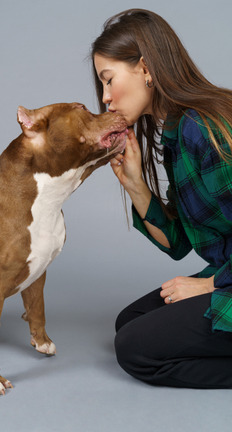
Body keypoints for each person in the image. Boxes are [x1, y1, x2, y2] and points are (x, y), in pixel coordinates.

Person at [91, 8, 232, 389]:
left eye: (109, 80)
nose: (105, 98)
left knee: (135, 349)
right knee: (131, 322)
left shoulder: (204, 127)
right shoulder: (176, 132)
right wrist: (137, 184)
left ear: (146, 68)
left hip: (227, 279)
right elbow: (179, 244)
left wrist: (210, 285)